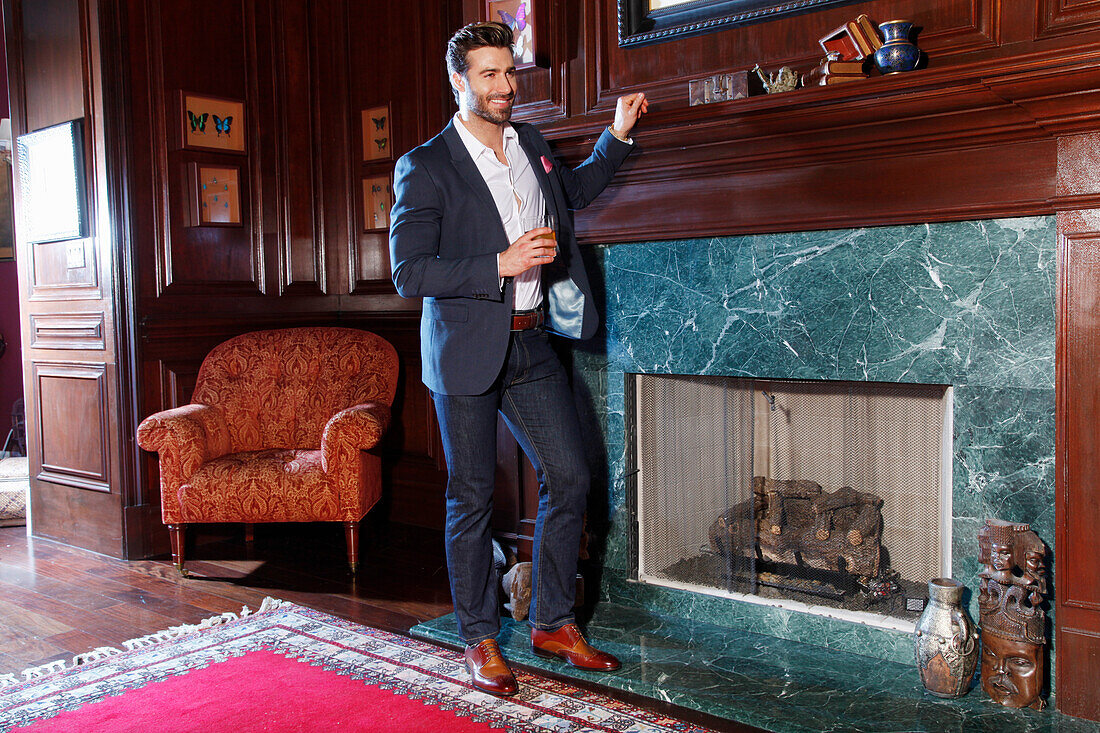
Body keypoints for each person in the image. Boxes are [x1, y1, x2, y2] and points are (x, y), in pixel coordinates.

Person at [389, 21, 646, 697]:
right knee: (471, 497)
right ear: (459, 82)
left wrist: (615, 136)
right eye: (490, 75)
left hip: (532, 342)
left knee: (571, 475)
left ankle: (553, 620)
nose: (505, 87)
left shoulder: (530, 143)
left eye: (509, 72)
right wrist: (498, 265)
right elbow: (408, 271)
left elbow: (576, 194)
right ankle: (479, 636)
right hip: (468, 351)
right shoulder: (425, 164)